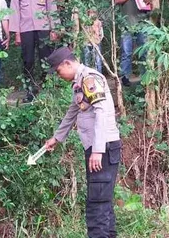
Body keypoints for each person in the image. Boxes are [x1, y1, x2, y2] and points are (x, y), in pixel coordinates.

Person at [45, 47, 122, 238]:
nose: (58, 75)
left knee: (97, 204)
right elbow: (73, 111)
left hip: (102, 148)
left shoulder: (90, 79)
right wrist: (57, 137)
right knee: (102, 201)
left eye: (58, 71)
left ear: (67, 63)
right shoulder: (79, 83)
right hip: (97, 147)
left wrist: (97, 151)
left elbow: (102, 112)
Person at [9, 0, 60, 102]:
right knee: (28, 60)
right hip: (25, 30)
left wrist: (54, 29)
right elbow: (14, 11)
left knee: (46, 59)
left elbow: (52, 8)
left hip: (43, 28)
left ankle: (46, 88)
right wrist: (17, 33)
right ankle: (30, 91)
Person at [114, 0, 151, 87]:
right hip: (127, 25)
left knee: (143, 51)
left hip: (141, 24)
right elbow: (117, 0)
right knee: (126, 52)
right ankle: (124, 77)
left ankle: (145, 77)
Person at [83, 9, 104, 73]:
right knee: (87, 61)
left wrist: (98, 40)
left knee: (98, 61)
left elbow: (101, 33)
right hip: (87, 43)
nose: (92, 14)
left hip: (96, 43)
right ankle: (88, 76)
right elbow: (83, 33)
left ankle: (99, 76)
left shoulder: (98, 22)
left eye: (93, 13)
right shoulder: (85, 23)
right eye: (90, 13)